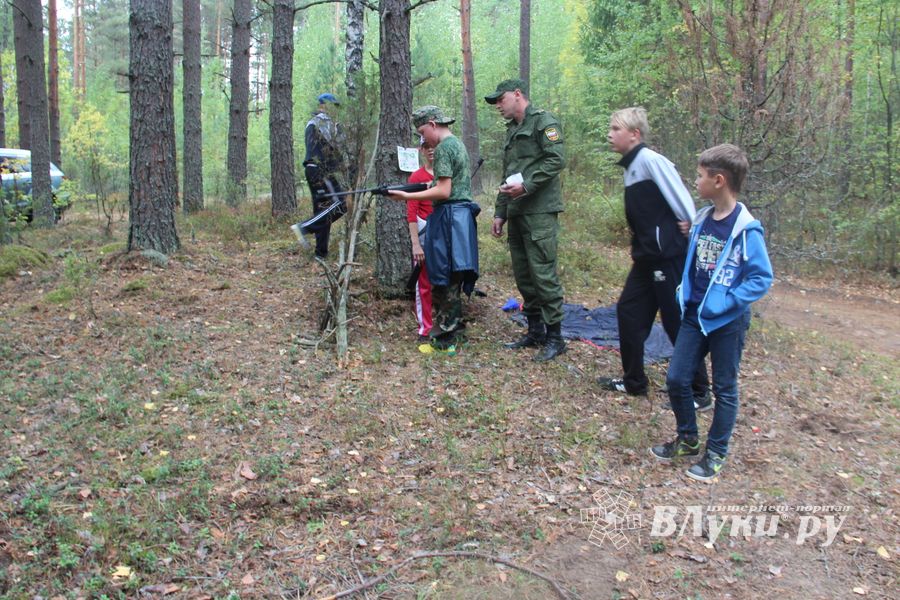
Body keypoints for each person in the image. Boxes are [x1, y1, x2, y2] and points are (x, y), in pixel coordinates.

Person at [651, 144, 772, 481]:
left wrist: (727, 301)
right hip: (694, 315)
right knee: (677, 378)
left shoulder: (746, 230)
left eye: (701, 176)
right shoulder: (703, 219)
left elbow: (761, 277)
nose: (695, 181)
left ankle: (716, 451)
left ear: (719, 180)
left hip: (727, 321)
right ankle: (688, 439)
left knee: (724, 387)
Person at [599, 107, 710, 403]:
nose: (610, 134)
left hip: (668, 256)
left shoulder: (651, 161)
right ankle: (634, 382)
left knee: (675, 321)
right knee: (629, 312)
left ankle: (700, 391)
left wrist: (692, 227)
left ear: (635, 134)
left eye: (616, 129)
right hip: (646, 257)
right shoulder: (631, 167)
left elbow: (683, 200)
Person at [485, 79, 567, 363]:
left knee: (543, 273)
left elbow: (556, 159)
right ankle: (535, 331)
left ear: (517, 95)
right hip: (517, 212)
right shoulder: (512, 131)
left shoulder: (544, 122)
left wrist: (528, 185)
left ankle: (556, 338)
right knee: (523, 274)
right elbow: (509, 173)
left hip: (540, 211)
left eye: (500, 99)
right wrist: (500, 212)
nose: (498, 106)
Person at [388, 106, 479, 353]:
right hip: (458, 218)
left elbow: (444, 191)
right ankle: (455, 329)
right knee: (453, 272)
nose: (423, 139)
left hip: (450, 218)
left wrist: (405, 197)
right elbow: (442, 183)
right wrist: (419, 187)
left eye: (422, 131)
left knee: (445, 276)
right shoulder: (456, 144)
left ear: (432, 123)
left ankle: (445, 336)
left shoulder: (444, 148)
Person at [295, 93, 348, 259]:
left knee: (322, 210)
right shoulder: (324, 122)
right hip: (321, 170)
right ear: (323, 106)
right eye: (333, 106)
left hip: (312, 169)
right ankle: (304, 227)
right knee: (343, 204)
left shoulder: (312, 122)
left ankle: (320, 253)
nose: (335, 110)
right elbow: (338, 146)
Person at [407, 141, 435, 341]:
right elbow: (411, 213)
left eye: (434, 145)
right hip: (425, 233)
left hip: (446, 235)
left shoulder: (448, 175)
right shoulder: (416, 177)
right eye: (426, 147)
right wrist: (416, 244)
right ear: (422, 150)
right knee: (423, 283)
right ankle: (425, 329)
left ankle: (447, 326)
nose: (431, 150)